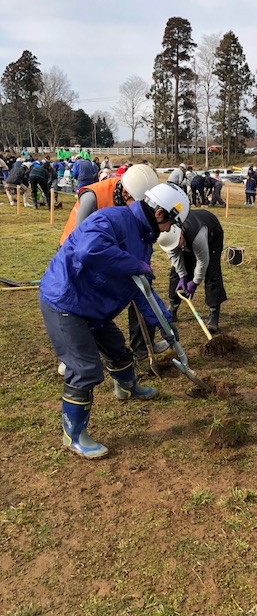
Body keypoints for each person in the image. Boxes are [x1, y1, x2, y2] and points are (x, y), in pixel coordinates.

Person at [39, 183, 190, 459]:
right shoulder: (111, 219)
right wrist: (134, 265)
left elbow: (141, 289)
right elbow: (89, 250)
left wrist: (167, 328)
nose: (169, 230)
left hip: (93, 306)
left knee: (118, 350)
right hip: (66, 300)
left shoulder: (143, 242)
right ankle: (74, 435)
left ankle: (128, 389)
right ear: (158, 214)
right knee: (84, 368)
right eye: (170, 222)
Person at [59, 164, 168, 360]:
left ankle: (143, 346)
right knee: (82, 307)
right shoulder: (94, 196)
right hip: (79, 256)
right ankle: (74, 357)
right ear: (125, 192)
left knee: (141, 287)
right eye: (136, 201)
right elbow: (82, 242)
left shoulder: (134, 204)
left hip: (115, 253)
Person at [158, 210, 227, 333]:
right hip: (189, 235)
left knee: (212, 273)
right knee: (176, 272)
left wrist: (195, 282)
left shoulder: (198, 237)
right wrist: (183, 276)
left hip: (211, 234)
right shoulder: (166, 235)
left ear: (180, 237)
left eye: (176, 245)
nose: (174, 249)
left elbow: (202, 261)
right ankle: (173, 307)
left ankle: (213, 313)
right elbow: (175, 257)